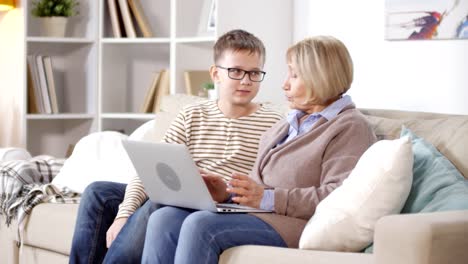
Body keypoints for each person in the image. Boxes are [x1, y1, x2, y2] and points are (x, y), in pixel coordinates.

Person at [140, 36, 378, 264]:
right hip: (259, 214)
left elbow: (336, 195)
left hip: (296, 222)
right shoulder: (289, 123)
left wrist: (268, 198)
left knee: (200, 225)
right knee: (165, 217)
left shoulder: (349, 126)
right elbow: (258, 188)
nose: (284, 83)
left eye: (294, 75)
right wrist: (226, 194)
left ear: (321, 77)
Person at [69, 29, 284, 264]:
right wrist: (124, 214)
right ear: (216, 74)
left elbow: (269, 184)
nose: (246, 80)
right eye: (236, 71)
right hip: (185, 191)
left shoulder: (273, 122)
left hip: (223, 203)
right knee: (98, 192)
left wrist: (227, 192)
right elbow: (151, 172)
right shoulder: (192, 114)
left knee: (159, 203)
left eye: (254, 73)